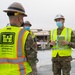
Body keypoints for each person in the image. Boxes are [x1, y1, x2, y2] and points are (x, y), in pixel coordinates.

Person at [0, 2, 37, 75]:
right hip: (21, 72)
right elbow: (32, 57)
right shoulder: (25, 34)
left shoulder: (0, 32)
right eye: (22, 18)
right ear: (20, 18)